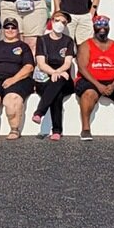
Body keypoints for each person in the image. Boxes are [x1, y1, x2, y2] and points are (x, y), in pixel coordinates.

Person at [74, 15, 114, 140]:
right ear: (94, 27)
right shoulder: (86, 45)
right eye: (99, 25)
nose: (102, 28)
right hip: (90, 80)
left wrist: (113, 85)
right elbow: (82, 68)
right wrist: (98, 85)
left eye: (105, 25)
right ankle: (85, 129)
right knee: (88, 94)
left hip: (112, 81)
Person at [0, 17, 35, 144]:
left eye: (13, 27)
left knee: (12, 99)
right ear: (3, 30)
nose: (10, 30)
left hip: (18, 79)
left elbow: (28, 67)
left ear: (17, 30)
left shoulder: (23, 47)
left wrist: (13, 79)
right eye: (7, 27)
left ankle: (14, 129)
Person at [31, 10, 76, 141]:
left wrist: (59, 72)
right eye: (57, 21)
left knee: (58, 81)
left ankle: (39, 112)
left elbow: (67, 63)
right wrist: (54, 72)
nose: (60, 24)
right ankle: (57, 130)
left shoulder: (68, 41)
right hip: (45, 77)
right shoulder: (42, 40)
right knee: (57, 93)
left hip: (64, 79)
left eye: (63, 22)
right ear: (51, 21)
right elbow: (41, 63)